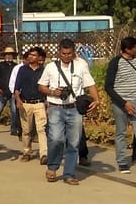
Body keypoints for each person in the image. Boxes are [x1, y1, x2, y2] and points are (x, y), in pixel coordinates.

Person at [38, 37, 100, 185]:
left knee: (74, 142)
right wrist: (53, 92)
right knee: (56, 139)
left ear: (73, 53)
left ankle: (69, 173)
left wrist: (96, 100)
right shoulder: (51, 67)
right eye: (63, 53)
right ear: (59, 52)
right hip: (55, 107)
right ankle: (52, 167)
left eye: (69, 53)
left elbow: (90, 84)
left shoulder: (80, 66)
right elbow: (41, 86)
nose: (66, 56)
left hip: (74, 109)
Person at [104, 37, 136, 176]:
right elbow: (108, 86)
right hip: (120, 103)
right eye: (135, 47)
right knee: (121, 132)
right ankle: (122, 162)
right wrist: (124, 103)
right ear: (127, 49)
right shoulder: (116, 62)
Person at [12, 46, 48, 164]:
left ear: (39, 58)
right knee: (27, 130)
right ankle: (27, 152)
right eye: (29, 55)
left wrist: (48, 104)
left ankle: (44, 154)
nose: (31, 57)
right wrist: (18, 100)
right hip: (25, 103)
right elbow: (16, 88)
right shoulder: (23, 70)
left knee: (41, 129)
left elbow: (48, 87)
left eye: (34, 55)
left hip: (39, 103)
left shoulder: (44, 70)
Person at [0, 47, 19, 136]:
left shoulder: (16, 66)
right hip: (2, 91)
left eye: (11, 54)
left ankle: (14, 129)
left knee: (14, 111)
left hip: (12, 92)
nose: (9, 56)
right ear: (4, 56)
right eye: (7, 54)